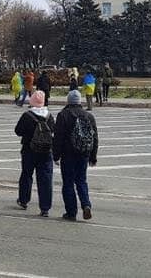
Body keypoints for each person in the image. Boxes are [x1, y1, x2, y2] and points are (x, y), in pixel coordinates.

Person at [53, 90, 98, 221]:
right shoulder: (89, 116)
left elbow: (58, 138)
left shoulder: (63, 115)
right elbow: (95, 138)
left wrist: (56, 155)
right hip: (84, 153)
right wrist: (93, 157)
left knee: (68, 183)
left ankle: (71, 212)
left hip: (68, 154)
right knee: (81, 181)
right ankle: (86, 205)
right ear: (79, 101)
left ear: (68, 101)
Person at [14, 91, 54, 217]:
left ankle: (24, 200)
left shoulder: (27, 116)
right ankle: (45, 208)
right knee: (45, 179)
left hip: (29, 150)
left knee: (26, 175)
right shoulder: (49, 116)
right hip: (46, 151)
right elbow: (54, 131)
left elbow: (18, 131)